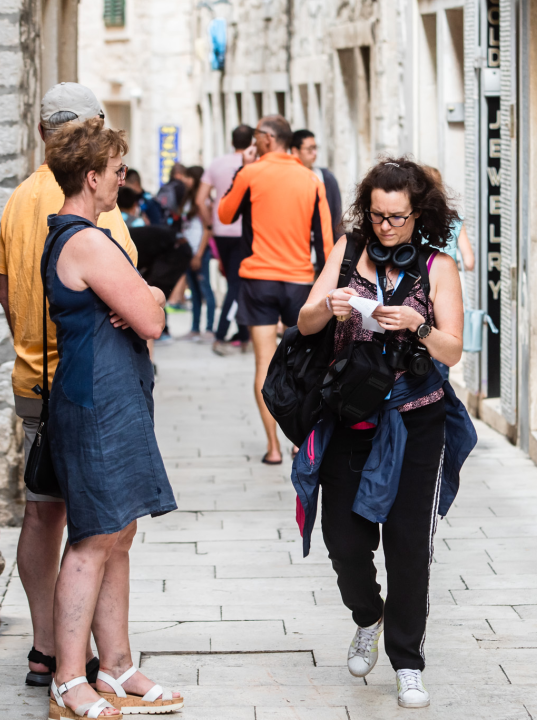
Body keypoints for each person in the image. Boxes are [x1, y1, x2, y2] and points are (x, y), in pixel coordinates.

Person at [294, 158, 477, 709]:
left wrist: (417, 325)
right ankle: (367, 613)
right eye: (377, 216)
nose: (386, 228)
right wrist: (327, 307)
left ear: (417, 214)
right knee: (344, 542)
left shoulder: (437, 267)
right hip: (350, 419)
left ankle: (407, 662)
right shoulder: (347, 252)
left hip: (416, 422)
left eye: (397, 218)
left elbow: (452, 348)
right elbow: (303, 321)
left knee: (406, 548)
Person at [0, 81, 141, 689]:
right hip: (89, 386)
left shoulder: (18, 200)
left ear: (39, 134)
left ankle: (42, 646)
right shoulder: (93, 210)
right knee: (101, 529)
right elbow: (132, 299)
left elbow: (6, 293)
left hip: (34, 380)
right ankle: (84, 663)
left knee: (41, 514)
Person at [43, 117, 183, 718]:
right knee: (92, 539)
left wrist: (142, 294)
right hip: (94, 401)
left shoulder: (93, 237)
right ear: (93, 176)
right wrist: (145, 296)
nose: (123, 180)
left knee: (119, 532)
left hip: (114, 398)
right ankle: (69, 678)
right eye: (118, 171)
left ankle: (118, 666)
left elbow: (146, 301)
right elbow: (153, 316)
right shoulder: (86, 241)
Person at [217, 115, 333, 464]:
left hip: (259, 280)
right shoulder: (311, 179)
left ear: (267, 139)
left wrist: (243, 168)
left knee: (264, 364)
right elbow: (325, 241)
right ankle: (300, 440)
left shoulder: (251, 173)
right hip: (299, 281)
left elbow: (224, 214)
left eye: (257, 136)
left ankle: (272, 447)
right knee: (305, 364)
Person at [197, 125, 254, 355]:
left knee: (235, 282)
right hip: (245, 232)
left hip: (221, 231)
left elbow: (201, 199)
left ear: (232, 140)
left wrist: (210, 225)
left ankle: (243, 336)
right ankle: (220, 336)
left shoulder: (216, 164)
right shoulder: (254, 164)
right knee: (236, 284)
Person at [179, 165, 215, 339]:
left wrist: (199, 255)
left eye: (188, 177)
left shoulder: (204, 201)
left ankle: (209, 329)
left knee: (205, 289)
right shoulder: (187, 200)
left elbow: (208, 230)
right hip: (188, 252)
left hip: (200, 253)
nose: (185, 180)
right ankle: (195, 328)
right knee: (194, 292)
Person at [290, 129, 343, 238]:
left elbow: (336, 216)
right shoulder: (287, 178)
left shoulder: (326, 178)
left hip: (322, 241)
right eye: (309, 149)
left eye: (315, 148)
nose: (314, 153)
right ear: (295, 151)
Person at [423, 167, 475, 272]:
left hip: (421, 281)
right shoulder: (455, 219)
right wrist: (454, 266)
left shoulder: (415, 217)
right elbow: (469, 263)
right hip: (449, 280)